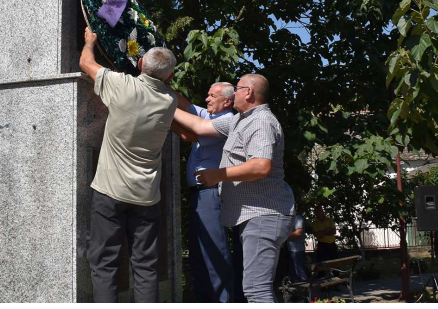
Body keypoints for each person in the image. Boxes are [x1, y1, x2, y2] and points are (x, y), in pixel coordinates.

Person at [172, 73, 295, 303]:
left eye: (237, 88)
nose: (233, 92)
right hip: (253, 216)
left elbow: (261, 165)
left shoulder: (261, 121)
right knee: (253, 288)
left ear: (248, 92)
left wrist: (218, 174)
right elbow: (197, 125)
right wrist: (161, 102)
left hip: (263, 214)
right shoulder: (239, 120)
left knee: (256, 290)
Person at [79, 27, 178, 303]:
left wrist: (90, 42)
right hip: (146, 196)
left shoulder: (122, 86)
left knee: (105, 264)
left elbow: (86, 63)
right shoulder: (169, 102)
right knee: (145, 267)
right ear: (170, 77)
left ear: (141, 64)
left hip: (110, 191)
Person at [171, 83, 236, 303]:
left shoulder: (226, 120)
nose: (207, 99)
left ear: (227, 101)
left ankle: (222, 301)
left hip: (210, 194)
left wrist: (158, 105)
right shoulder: (209, 115)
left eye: (212, 96)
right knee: (199, 253)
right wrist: (159, 84)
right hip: (199, 195)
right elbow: (186, 104)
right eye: (207, 94)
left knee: (213, 253)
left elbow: (189, 134)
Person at [284, 213, 309, 283]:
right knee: (293, 274)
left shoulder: (297, 217)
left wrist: (284, 235)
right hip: (291, 249)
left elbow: (298, 233)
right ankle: (298, 290)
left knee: (300, 273)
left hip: (297, 250)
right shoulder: (291, 218)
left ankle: (305, 290)